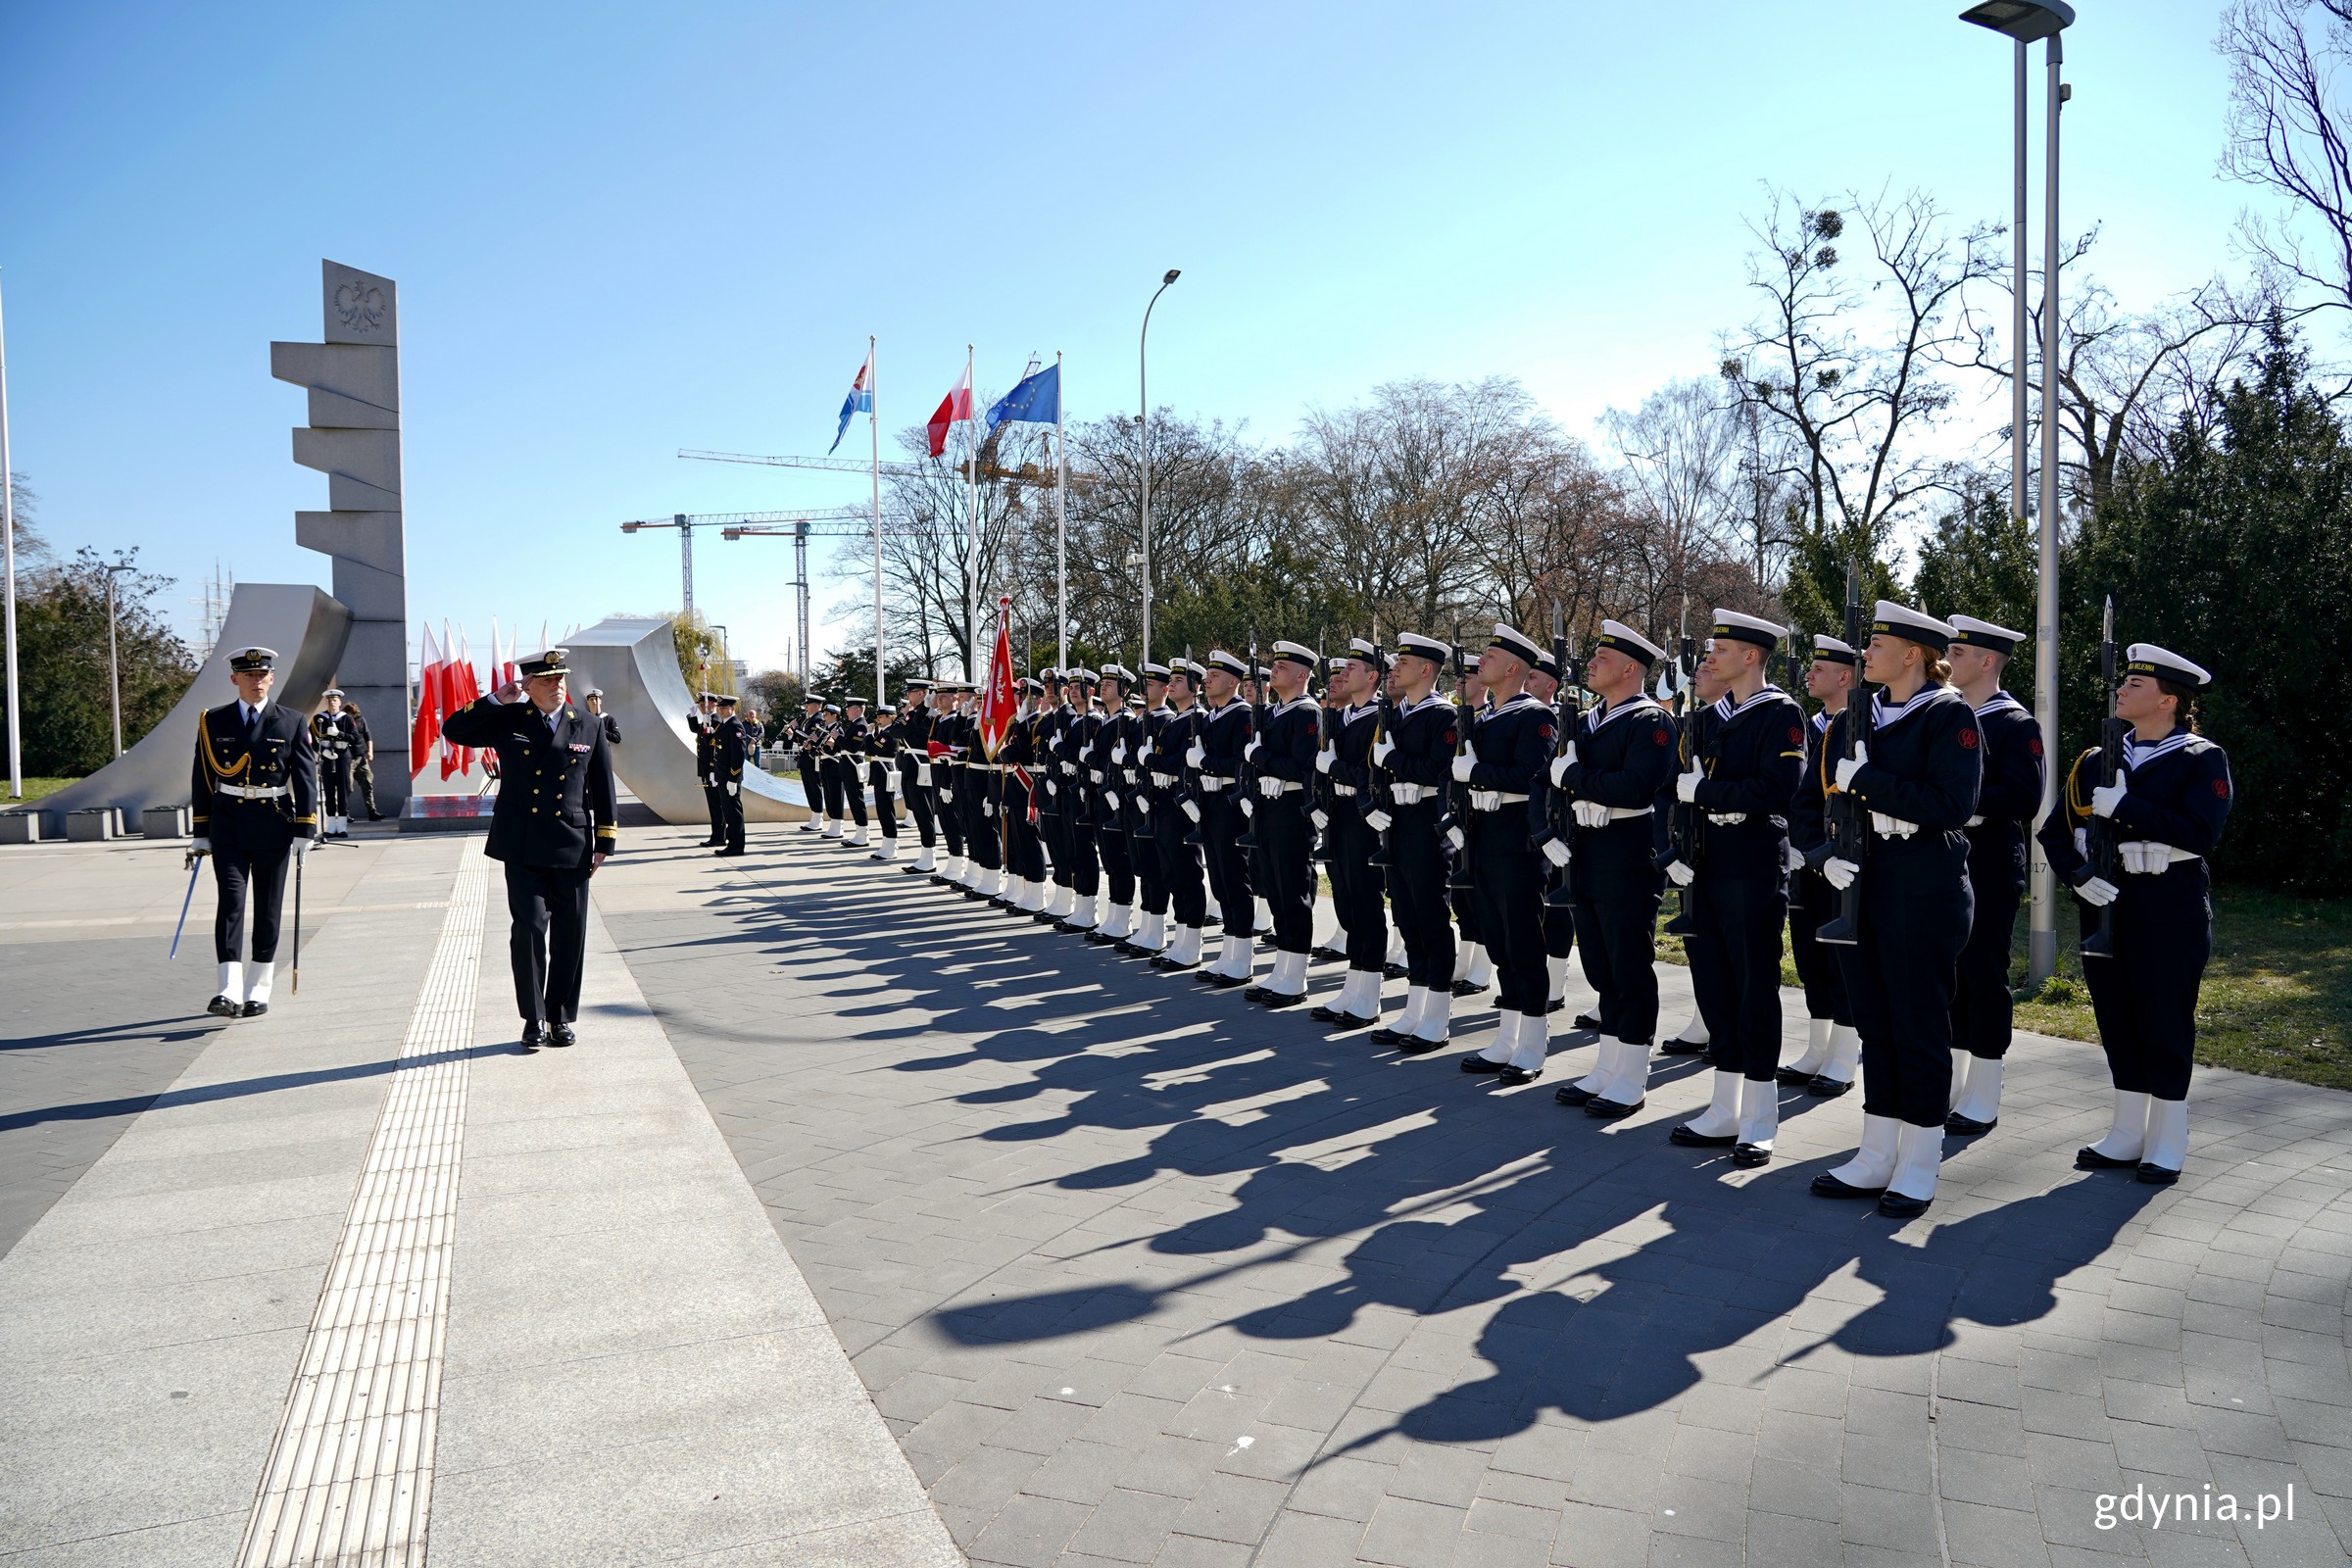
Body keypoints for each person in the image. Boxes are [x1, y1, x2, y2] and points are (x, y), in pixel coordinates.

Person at [1806, 603, 1983, 1219]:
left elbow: (1952, 804)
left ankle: (1919, 1162)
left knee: (1918, 1026)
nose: (1866, 654)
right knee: (1874, 1023)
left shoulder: (1948, 714)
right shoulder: (1857, 715)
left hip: (1920, 885)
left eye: (1877, 644)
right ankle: (1877, 1152)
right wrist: (1823, 855)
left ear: (1912, 654)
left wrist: (1868, 782)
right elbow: (1819, 797)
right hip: (1861, 882)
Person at [2039, 643, 2230, 1187]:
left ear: (2168, 700)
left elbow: (2201, 832)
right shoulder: (2098, 758)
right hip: (2106, 903)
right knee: (2117, 1018)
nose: (2122, 690)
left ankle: (2168, 1137)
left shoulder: (2201, 758)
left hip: (2169, 905)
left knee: (2164, 1020)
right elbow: (2055, 833)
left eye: (2136, 685)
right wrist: (2078, 877)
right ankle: (2127, 1130)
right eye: (2124, 682)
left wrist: (2126, 808)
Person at [1662, 612, 1805, 1166]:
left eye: (1721, 649)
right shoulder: (1702, 716)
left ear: (1751, 656)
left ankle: (1761, 1114)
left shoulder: (1780, 712)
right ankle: (1725, 1105)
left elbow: (1780, 788)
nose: (1709, 658)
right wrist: (1673, 852)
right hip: (1704, 861)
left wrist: (1710, 792)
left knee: (1753, 984)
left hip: (1749, 860)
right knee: (1714, 983)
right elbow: (1674, 791)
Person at [441, 649, 618, 1050]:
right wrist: (493, 701)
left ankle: (560, 1017)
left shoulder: (588, 724)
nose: (556, 686)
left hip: (572, 845)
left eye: (560, 679)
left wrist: (604, 842)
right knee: (528, 930)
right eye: (546, 680)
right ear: (527, 685)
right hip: (520, 843)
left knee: (570, 935)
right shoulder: (509, 719)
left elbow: (603, 788)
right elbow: (455, 730)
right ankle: (533, 1017)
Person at [1548, 621, 1674, 1114]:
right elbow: (1547, 780)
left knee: (1629, 965)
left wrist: (1578, 780)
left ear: (1629, 669)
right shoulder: (1584, 721)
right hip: (1586, 850)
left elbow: (1638, 786)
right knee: (1600, 966)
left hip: (1627, 852)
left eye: (1603, 657)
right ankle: (1607, 1064)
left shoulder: (1651, 723)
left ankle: (1633, 1074)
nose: (1592, 663)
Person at [1943, 615, 2044, 1135]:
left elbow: (2026, 798)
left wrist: (1964, 802)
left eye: (1959, 654)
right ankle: (1958, 1081)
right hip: (1947, 858)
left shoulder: (2014, 723)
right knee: (1953, 973)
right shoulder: (1946, 714)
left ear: (1987, 661)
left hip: (1988, 860)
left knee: (1985, 972)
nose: (1948, 659)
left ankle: (1985, 1088)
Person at [1453, 625, 1559, 1085]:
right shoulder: (1485, 715)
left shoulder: (1533, 716)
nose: (1481, 662)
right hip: (1483, 836)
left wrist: (1479, 773)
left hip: (1517, 841)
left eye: (1491, 656)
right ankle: (1508, 1034)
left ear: (1514, 667)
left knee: (1522, 940)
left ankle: (1533, 1040)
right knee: (1497, 939)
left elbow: (1533, 775)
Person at [189, 646, 318, 1017]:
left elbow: (306, 778)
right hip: (227, 823)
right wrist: (200, 831)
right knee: (230, 903)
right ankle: (227, 990)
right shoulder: (213, 721)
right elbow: (202, 777)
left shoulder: (291, 721)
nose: (256, 681)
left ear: (272, 678)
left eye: (262, 675)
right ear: (234, 680)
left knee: (267, 908)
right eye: (248, 675)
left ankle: (258, 989)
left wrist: (304, 829)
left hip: (273, 823)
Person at [1367, 632, 1461, 1052]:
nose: (1395, 669)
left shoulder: (1444, 715)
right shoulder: (1395, 713)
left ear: (1426, 670)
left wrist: (1394, 762)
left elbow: (1441, 769)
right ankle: (1414, 1008)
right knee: (1406, 916)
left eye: (1403, 663)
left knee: (1430, 917)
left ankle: (1437, 1016)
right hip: (1398, 821)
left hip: (1425, 822)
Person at [1779, 636, 1864, 1095]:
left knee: (1843, 955)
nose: (1808, 674)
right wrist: (1799, 844)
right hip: (1809, 855)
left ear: (1845, 676)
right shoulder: (1811, 725)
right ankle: (1818, 1047)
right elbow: (1801, 795)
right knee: (1811, 953)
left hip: (1848, 858)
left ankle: (1845, 1055)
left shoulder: (1862, 725)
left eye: (1819, 668)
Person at [1311, 641, 1391, 1030]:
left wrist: (1336, 768)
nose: (1342, 674)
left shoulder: (1380, 718)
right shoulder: (1341, 717)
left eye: (1352, 668)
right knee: (1344, 897)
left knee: (1365, 900)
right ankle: (1354, 984)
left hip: (1363, 816)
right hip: (1339, 814)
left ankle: (1370, 993)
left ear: (1373, 677)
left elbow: (1372, 774)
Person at [1241, 642, 1324, 1006]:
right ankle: (1282, 969)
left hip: (1291, 810)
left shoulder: (1306, 713)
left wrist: (1261, 757)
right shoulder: (1274, 712)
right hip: (1268, 809)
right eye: (1274, 665)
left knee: (1292, 892)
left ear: (1302, 675)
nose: (1274, 670)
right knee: (1274, 890)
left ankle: (1297, 977)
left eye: (1283, 666)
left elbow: (1304, 767)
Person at [1189, 651, 1258, 986]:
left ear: (1233, 682)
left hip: (1231, 804)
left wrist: (1205, 764)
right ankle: (1229, 951)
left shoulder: (1241, 714)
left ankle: (1242, 958)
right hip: (1211, 803)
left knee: (1234, 879)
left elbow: (1242, 762)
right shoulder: (1211, 717)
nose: (1206, 680)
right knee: (1218, 880)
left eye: (1214, 675)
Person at [1148, 660, 1209, 969]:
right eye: (1169, 679)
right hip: (1163, 799)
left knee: (1186, 872)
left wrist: (1153, 762)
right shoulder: (1175, 721)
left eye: (1178, 680)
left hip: (1181, 801)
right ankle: (1181, 938)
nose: (1170, 684)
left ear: (1195, 687)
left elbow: (1183, 761)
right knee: (1171, 872)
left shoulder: (1196, 719)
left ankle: (1192, 944)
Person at [1082, 666, 1138, 941]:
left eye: (1110, 683)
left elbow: (1116, 762)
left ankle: (1122, 919)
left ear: (1124, 689)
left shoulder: (1125, 722)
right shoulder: (1107, 720)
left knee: (1118, 858)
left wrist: (1092, 760)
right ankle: (1113, 916)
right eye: (1102, 683)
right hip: (1101, 796)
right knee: (1109, 858)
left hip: (1115, 796)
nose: (1103, 687)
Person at [896, 679, 942, 873]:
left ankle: (929, 857)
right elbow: (894, 730)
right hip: (911, 767)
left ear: (922, 694)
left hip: (920, 767)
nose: (908, 696)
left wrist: (908, 716)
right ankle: (925, 855)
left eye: (911, 692)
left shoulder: (927, 715)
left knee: (924, 813)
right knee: (919, 811)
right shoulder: (916, 714)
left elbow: (901, 729)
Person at [310, 689, 362, 838]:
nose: (332, 703)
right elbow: (312, 740)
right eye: (329, 700)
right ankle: (331, 825)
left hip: (343, 756)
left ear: (339, 702)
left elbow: (355, 738)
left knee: (343, 790)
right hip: (327, 757)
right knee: (329, 790)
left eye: (334, 700)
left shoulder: (346, 719)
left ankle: (342, 825)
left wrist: (339, 733)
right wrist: (321, 751)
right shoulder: (318, 719)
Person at [711, 694, 748, 856]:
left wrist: (733, 778)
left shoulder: (735, 726)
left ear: (733, 708)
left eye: (724, 708)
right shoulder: (724, 725)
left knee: (733, 811)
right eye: (720, 708)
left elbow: (738, 756)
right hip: (722, 776)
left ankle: (737, 846)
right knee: (728, 811)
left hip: (730, 777)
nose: (721, 711)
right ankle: (731, 844)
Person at [343, 698, 383, 820]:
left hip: (360, 756)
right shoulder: (341, 721)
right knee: (347, 787)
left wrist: (370, 751)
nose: (353, 717)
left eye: (355, 714)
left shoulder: (360, 720)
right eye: (351, 714)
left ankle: (372, 811)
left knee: (367, 783)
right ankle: (345, 814)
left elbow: (367, 735)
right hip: (347, 757)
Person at [792, 694, 827, 835]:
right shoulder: (809, 719)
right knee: (809, 787)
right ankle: (814, 816)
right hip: (805, 758)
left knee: (814, 787)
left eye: (809, 704)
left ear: (817, 706)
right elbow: (801, 739)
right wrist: (792, 733)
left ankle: (818, 818)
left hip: (812, 758)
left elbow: (810, 738)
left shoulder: (818, 719)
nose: (806, 706)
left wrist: (795, 729)